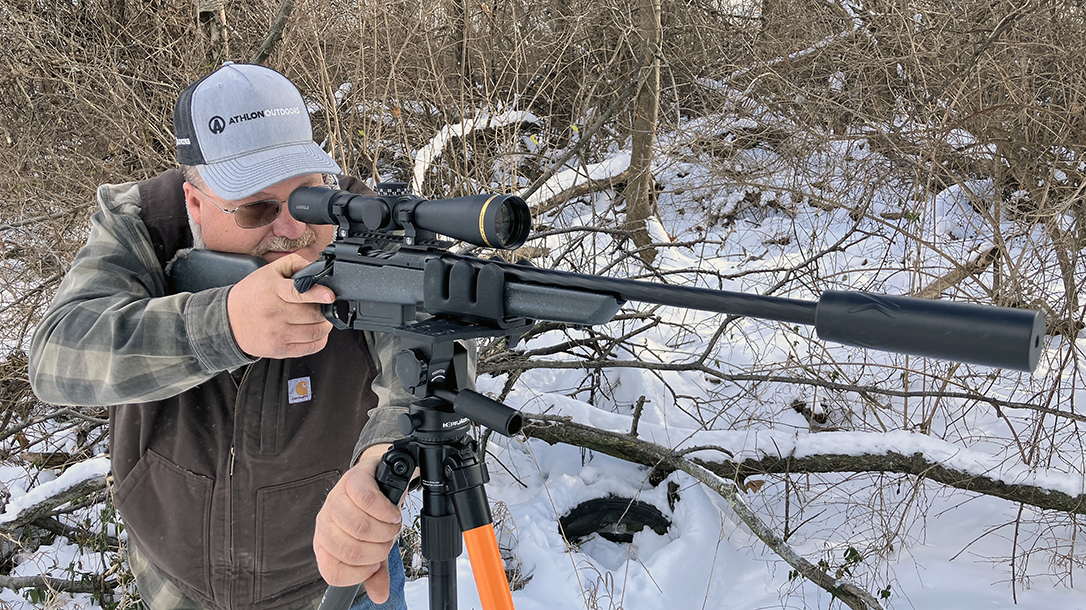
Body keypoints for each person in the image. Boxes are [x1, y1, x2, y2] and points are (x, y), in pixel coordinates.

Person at [29, 62, 413, 610]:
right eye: (257, 207)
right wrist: (223, 325)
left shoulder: (367, 225)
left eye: (308, 196)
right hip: (173, 584)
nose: (291, 228)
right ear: (194, 203)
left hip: (335, 583)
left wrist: (385, 457)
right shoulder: (144, 226)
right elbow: (56, 356)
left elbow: (432, 345)